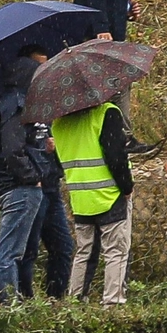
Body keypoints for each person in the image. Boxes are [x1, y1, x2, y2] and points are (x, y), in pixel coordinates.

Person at [72, 0, 158, 156]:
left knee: (115, 83)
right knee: (116, 83)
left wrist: (126, 10)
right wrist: (101, 26)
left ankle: (117, 136)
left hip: (106, 31)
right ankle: (120, 138)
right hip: (100, 36)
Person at [51, 97, 134, 305]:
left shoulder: (59, 123)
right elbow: (115, 156)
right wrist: (127, 187)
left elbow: (58, 161)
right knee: (116, 252)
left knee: (84, 253)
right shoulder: (107, 113)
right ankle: (112, 304)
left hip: (80, 198)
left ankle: (75, 303)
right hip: (109, 195)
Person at [0, 56, 46, 304]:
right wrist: (32, 177)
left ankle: (16, 302)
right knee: (11, 252)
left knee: (13, 251)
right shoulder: (18, 104)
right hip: (19, 187)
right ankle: (9, 306)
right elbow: (12, 149)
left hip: (3, 185)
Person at [16, 46, 74, 301]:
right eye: (38, 66)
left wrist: (55, 148)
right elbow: (11, 148)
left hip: (52, 186)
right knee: (28, 251)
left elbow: (61, 142)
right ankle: (26, 302)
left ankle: (55, 301)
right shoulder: (16, 104)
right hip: (32, 186)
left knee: (63, 249)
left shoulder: (52, 104)